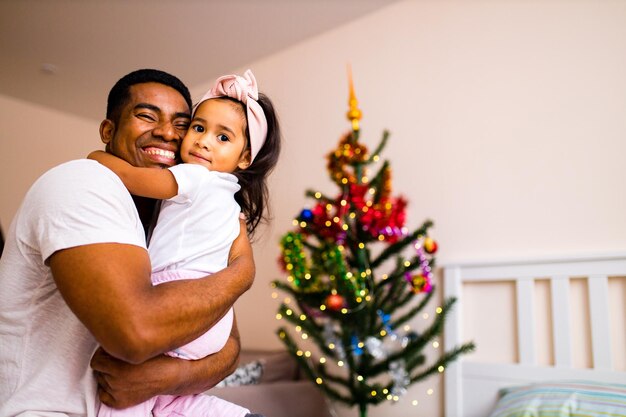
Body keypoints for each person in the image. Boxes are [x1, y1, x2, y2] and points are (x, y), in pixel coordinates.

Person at [0, 69, 256, 417]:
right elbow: (136, 335)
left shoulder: (177, 217)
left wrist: (170, 375)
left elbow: (228, 347)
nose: (167, 132)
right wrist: (242, 273)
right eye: (147, 116)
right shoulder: (83, 182)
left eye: (182, 123)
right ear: (108, 131)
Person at [89, 69, 281, 417]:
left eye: (223, 138)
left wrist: (97, 159)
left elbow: (133, 178)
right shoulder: (231, 197)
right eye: (198, 128)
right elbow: (241, 265)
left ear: (244, 158)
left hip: (174, 292)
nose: (204, 141)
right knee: (171, 400)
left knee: (127, 388)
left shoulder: (193, 178)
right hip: (212, 322)